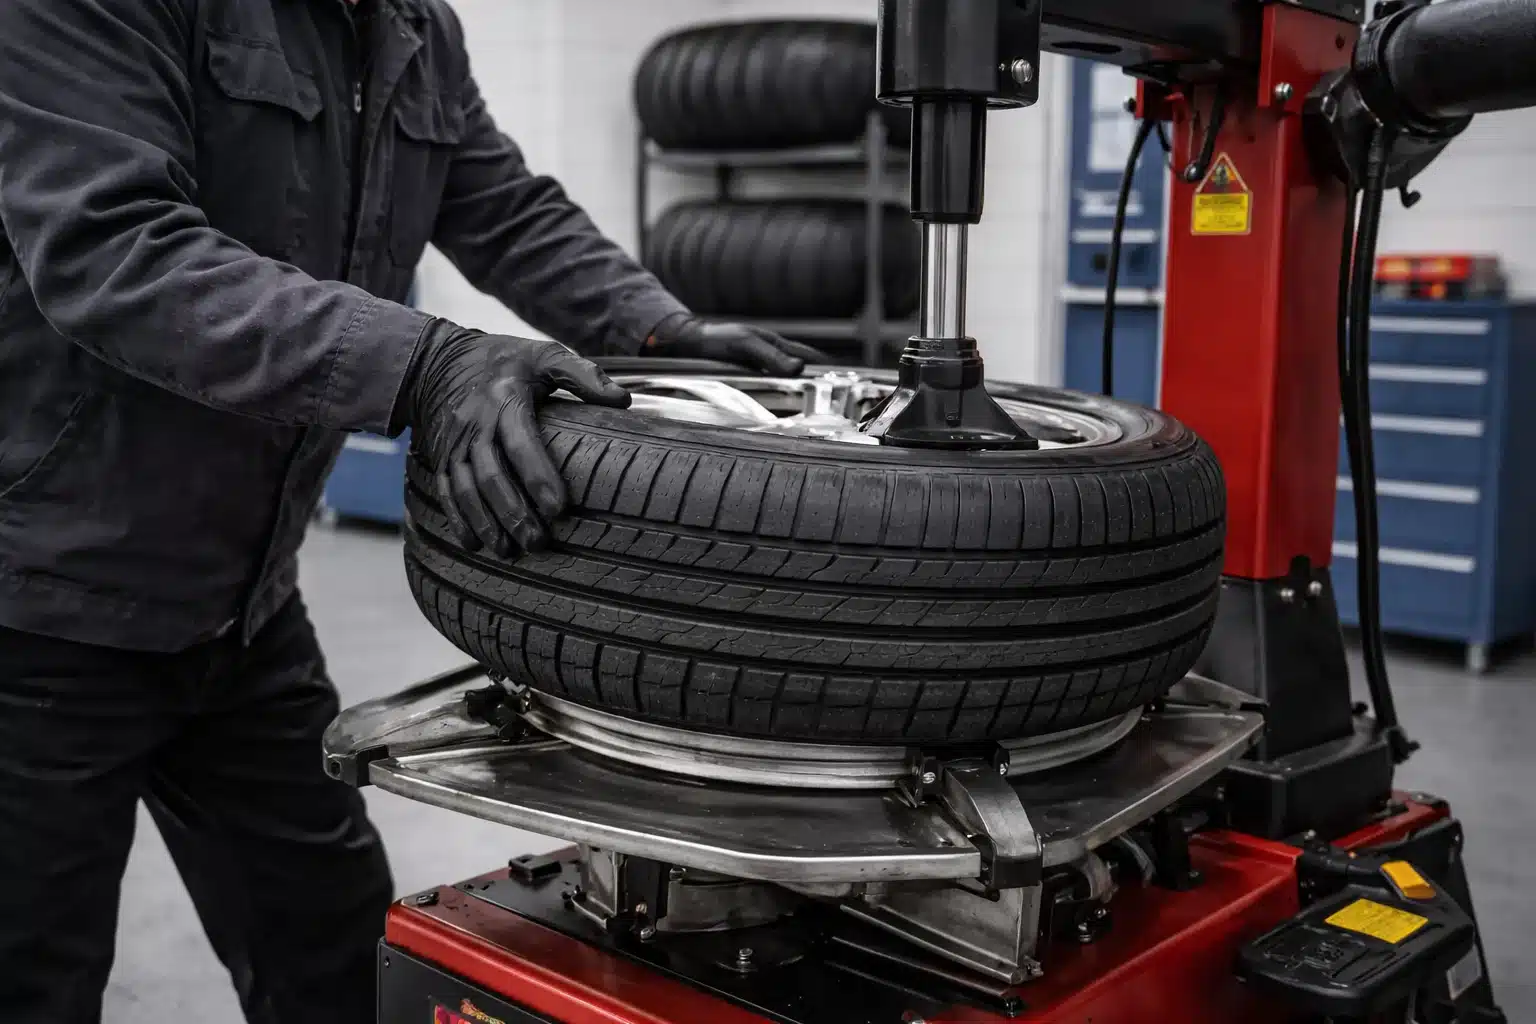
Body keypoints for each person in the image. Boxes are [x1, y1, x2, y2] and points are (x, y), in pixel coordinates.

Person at [0, 1, 823, 1021]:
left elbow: (504, 207)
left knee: (332, 945)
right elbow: (113, 251)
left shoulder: (412, 28)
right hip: (38, 606)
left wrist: (657, 331)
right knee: (31, 976)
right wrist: (428, 364)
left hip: (241, 606)